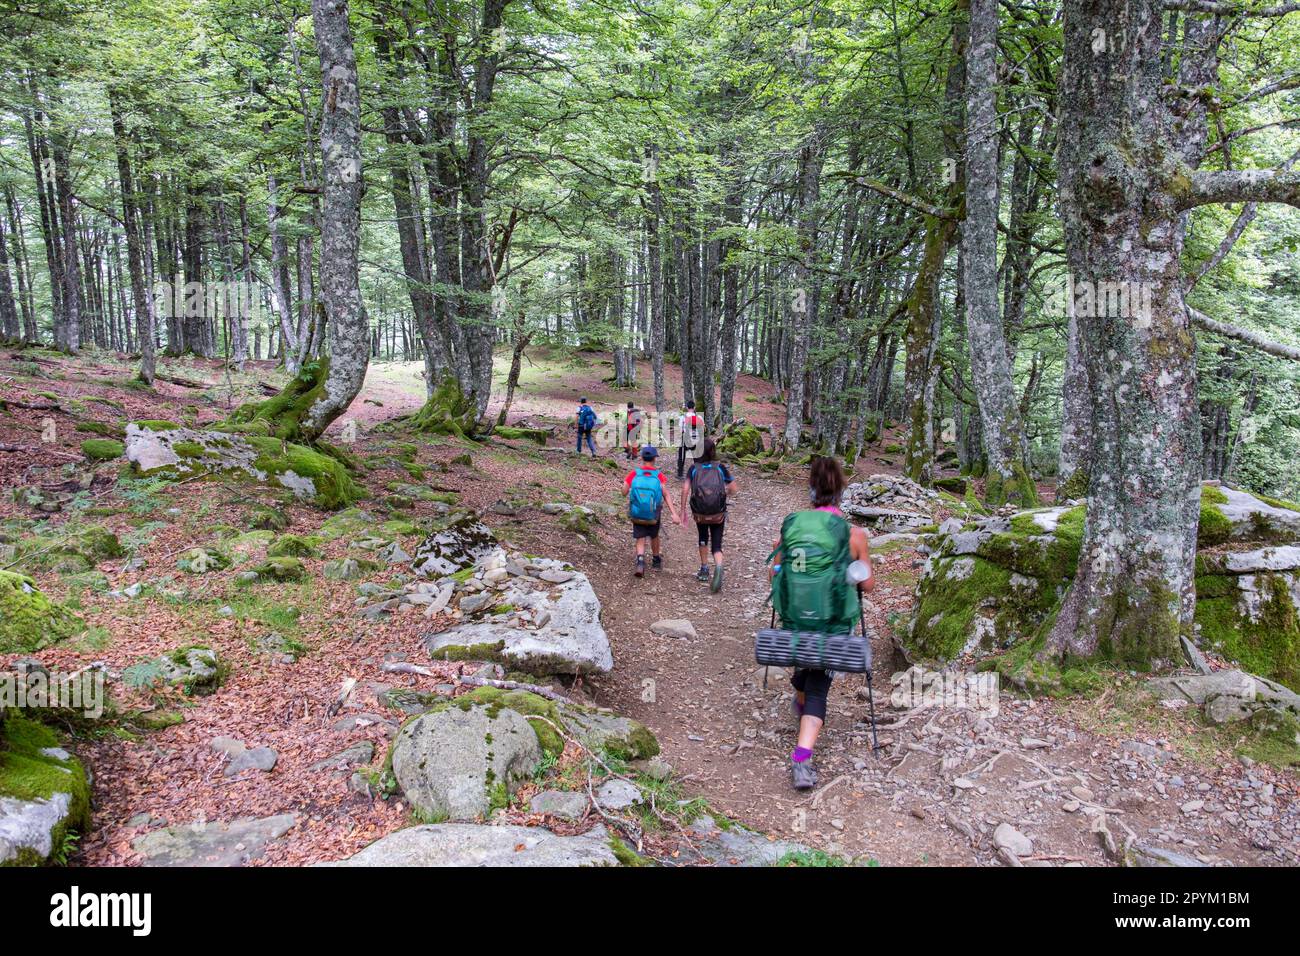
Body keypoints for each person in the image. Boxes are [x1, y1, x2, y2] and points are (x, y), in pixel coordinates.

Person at [769, 456, 873, 791]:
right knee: (818, 685)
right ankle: (801, 758)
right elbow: (867, 584)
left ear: (811, 489)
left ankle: (799, 698)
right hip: (832, 626)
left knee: (807, 672)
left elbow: (775, 571)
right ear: (841, 491)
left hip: (797, 620)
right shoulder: (853, 534)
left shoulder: (793, 525)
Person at [679, 437, 735, 592]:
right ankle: (718, 565)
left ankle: (704, 569)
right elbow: (733, 488)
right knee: (717, 544)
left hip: (701, 512)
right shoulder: (720, 468)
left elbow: (685, 490)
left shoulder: (694, 468)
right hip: (718, 512)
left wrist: (683, 510)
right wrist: (725, 494)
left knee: (703, 538)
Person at [624, 445, 680, 577]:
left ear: (642, 458)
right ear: (655, 458)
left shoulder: (634, 473)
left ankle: (640, 561)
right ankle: (655, 559)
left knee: (640, 536)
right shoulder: (659, 476)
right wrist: (674, 513)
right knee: (654, 535)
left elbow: (624, 491)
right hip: (654, 512)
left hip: (637, 512)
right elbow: (666, 495)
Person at [677, 401, 704, 479]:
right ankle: (698, 473)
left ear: (687, 407)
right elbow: (702, 429)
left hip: (686, 439)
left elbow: (680, 429)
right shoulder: (699, 417)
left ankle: (680, 473)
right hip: (696, 439)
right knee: (697, 456)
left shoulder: (683, 417)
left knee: (681, 455)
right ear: (694, 407)